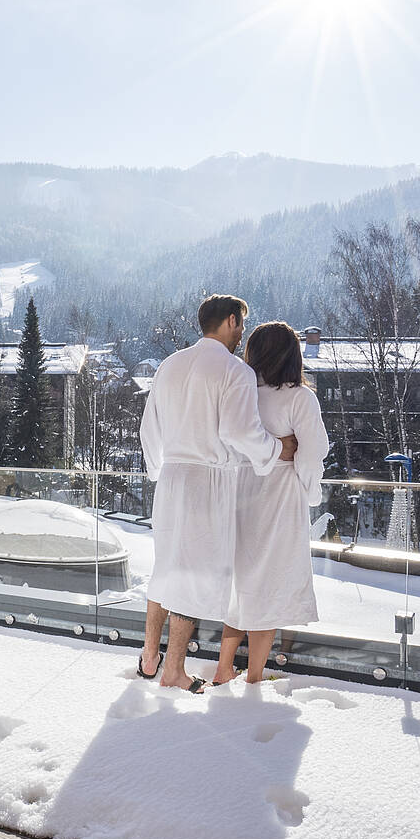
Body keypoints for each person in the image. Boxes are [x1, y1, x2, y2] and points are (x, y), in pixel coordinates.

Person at [139, 294, 296, 691]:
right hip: (208, 481)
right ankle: (173, 671)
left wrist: (160, 470)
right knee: (194, 576)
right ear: (230, 321)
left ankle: (149, 656)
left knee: (167, 566)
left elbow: (148, 430)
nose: (241, 333)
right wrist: (279, 449)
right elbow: (238, 432)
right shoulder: (233, 370)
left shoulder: (169, 365)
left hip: (171, 478)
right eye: (241, 324)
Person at [214, 321, 331, 685]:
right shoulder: (299, 398)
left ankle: (222, 667)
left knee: (243, 582)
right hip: (280, 499)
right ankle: (254, 676)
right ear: (292, 354)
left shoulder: (241, 394)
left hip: (239, 493)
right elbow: (314, 453)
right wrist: (310, 493)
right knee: (270, 586)